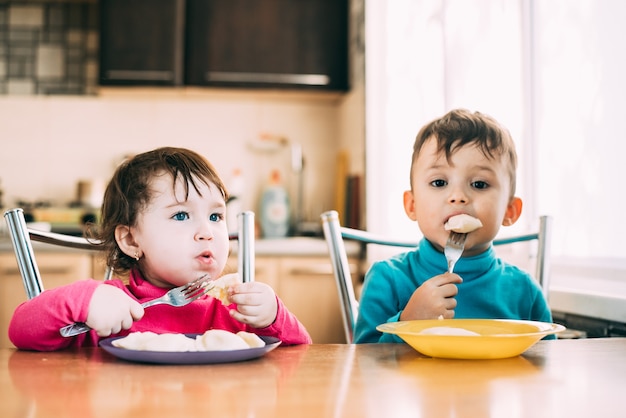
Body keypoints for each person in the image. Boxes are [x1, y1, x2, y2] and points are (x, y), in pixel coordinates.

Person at [9, 147, 311, 350]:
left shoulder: (237, 310)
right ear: (130, 240)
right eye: (181, 215)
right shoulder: (109, 309)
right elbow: (20, 331)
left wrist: (274, 315)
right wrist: (83, 299)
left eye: (216, 216)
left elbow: (301, 357)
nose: (207, 232)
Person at [354, 109, 553, 343]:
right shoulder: (387, 280)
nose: (458, 196)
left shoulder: (525, 292)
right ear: (412, 205)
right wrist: (407, 323)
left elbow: (545, 366)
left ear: (510, 211)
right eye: (439, 182)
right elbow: (364, 365)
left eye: (479, 184)